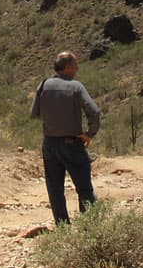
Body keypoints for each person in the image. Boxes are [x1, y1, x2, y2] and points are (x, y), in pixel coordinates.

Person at [30, 51, 101, 225]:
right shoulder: (76, 86)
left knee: (55, 189)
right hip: (72, 143)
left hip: (50, 144)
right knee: (84, 188)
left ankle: (62, 227)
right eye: (75, 64)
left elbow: (35, 113)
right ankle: (89, 228)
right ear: (68, 67)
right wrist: (89, 134)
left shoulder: (44, 84)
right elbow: (95, 112)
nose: (77, 68)